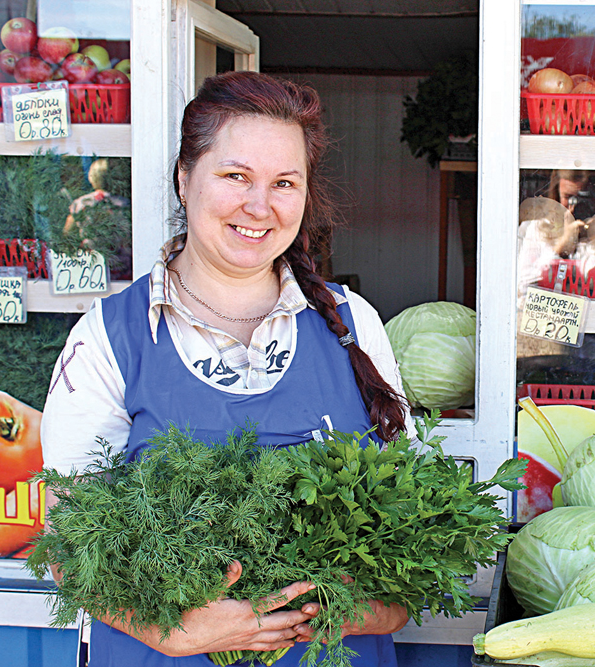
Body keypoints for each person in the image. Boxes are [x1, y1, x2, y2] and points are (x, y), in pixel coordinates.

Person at [40, 72, 412, 667]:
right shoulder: (109, 338)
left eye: (284, 183)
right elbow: (66, 543)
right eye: (235, 176)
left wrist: (337, 611)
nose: (259, 206)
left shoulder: (354, 325)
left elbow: (407, 545)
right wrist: (176, 631)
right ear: (186, 179)